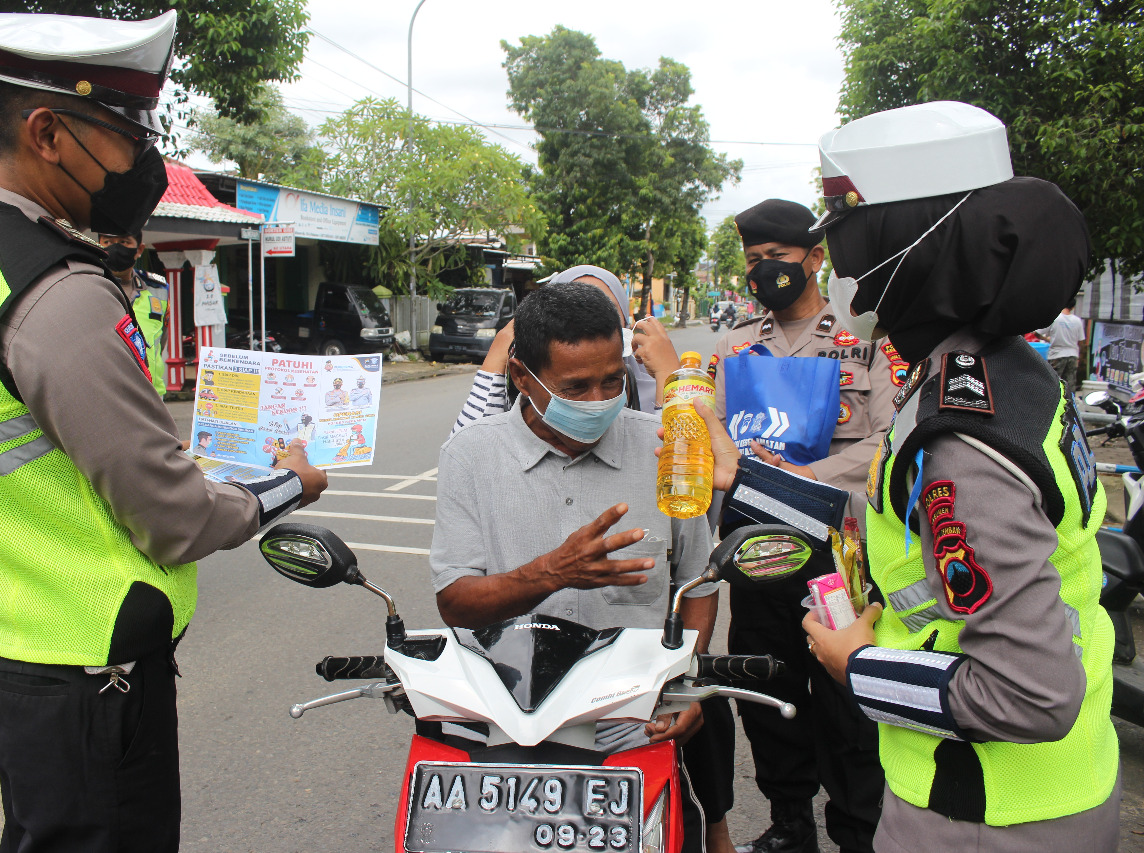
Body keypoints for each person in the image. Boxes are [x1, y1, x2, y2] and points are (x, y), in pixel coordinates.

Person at [0, 11, 329, 851]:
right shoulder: (58, 294)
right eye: (127, 137)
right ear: (47, 133)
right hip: (94, 677)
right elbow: (175, 519)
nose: (144, 164)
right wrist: (287, 485)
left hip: (14, 655)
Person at [705, 101, 1117, 851]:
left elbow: (1029, 693)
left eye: (850, 241)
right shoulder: (1001, 372)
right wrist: (747, 480)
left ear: (907, 245)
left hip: (986, 814)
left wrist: (857, 666)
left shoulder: (960, 435)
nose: (844, 271)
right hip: (1031, 794)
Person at [430, 281, 717, 850]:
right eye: (575, 388)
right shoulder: (470, 456)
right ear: (521, 376)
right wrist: (552, 573)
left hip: (634, 729)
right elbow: (455, 601)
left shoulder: (666, 447)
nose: (600, 401)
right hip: (509, 731)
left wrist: (686, 684)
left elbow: (697, 584)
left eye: (612, 381)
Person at [709, 199, 890, 853]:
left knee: (847, 699)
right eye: (753, 259)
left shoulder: (866, 341)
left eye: (776, 258)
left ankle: (857, 830)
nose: (764, 270)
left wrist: (808, 476)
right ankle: (790, 821)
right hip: (760, 548)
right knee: (766, 685)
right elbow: (714, 441)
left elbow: (889, 441)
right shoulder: (735, 348)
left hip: (838, 554)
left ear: (814, 259)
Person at [449, 265, 681, 436]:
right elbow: (466, 451)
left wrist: (671, 379)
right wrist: (498, 354)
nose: (596, 399)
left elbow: (680, 462)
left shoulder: (654, 389)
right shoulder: (530, 396)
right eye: (575, 387)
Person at [97, 230, 170, 397]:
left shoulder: (158, 289)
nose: (115, 248)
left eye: (124, 242)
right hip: (105, 396)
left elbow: (160, 341)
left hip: (151, 396)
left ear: (139, 249)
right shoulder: (86, 285)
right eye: (107, 242)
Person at [1038, 298, 1085, 391]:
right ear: (1073, 307)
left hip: (1057, 355)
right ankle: (1070, 400)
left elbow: (1037, 333)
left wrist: (1046, 339)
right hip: (1073, 355)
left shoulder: (1055, 318)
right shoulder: (1077, 321)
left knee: (1054, 383)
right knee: (1070, 384)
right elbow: (1081, 341)